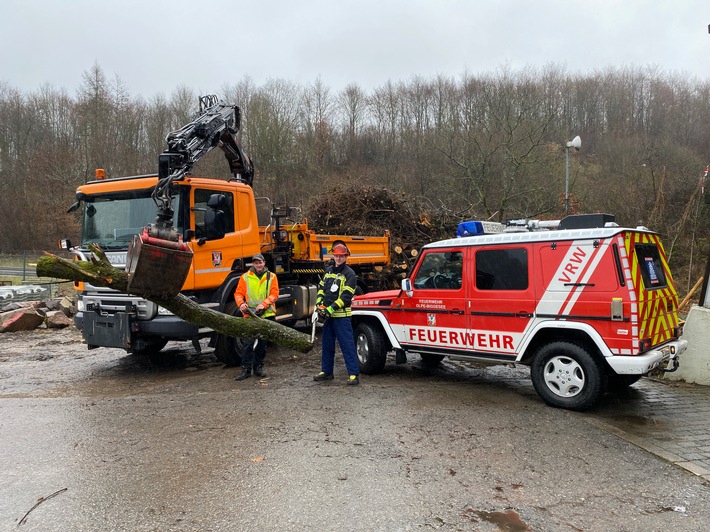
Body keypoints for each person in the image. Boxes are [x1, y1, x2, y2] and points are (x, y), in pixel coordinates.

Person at [313, 243, 361, 385]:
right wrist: (318, 303)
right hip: (328, 316)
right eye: (337, 256)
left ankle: (353, 374)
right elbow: (321, 289)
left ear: (346, 257)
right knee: (327, 345)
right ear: (333, 256)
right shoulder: (328, 272)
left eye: (341, 256)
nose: (339, 258)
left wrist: (330, 309)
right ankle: (326, 371)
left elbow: (346, 297)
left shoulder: (350, 274)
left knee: (347, 345)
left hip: (342, 317)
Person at [233, 253, 279, 380]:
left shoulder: (272, 277)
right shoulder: (245, 277)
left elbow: (275, 294)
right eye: (256, 263)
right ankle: (245, 370)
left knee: (262, 345)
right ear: (253, 264)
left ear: (264, 263)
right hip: (250, 315)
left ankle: (258, 368)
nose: (258, 265)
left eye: (260, 262)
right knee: (248, 344)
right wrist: (241, 304)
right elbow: (238, 293)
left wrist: (263, 305)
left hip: (266, 314)